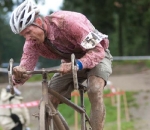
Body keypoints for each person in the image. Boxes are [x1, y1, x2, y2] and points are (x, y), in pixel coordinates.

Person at [9, 0, 113, 130]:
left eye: (28, 32)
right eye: (23, 35)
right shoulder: (31, 43)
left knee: (95, 89)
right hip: (70, 63)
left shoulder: (68, 22)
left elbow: (98, 51)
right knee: (47, 103)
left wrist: (77, 64)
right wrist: (19, 74)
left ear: (39, 22)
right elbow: (26, 70)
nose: (27, 38)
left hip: (97, 55)